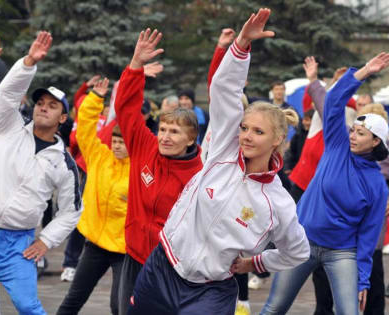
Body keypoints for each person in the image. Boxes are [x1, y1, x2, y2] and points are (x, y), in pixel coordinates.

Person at [126, 9, 310, 315]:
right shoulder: (225, 150)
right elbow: (224, 88)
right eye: (245, 128)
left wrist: (256, 263)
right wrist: (241, 44)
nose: (247, 136)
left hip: (211, 290)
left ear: (276, 139)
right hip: (163, 269)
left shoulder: (278, 202)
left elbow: (298, 252)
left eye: (258, 132)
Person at [260, 52, 389, 315]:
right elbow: (333, 101)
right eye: (353, 130)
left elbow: (368, 236)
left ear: (376, 141)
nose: (353, 136)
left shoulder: (376, 184)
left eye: (361, 133)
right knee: (274, 307)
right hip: (302, 242)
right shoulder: (337, 145)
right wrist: (364, 71)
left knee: (349, 312)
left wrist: (363, 280)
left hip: (341, 252)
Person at [115, 28, 203, 315]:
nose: (165, 136)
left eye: (174, 132)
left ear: (191, 139)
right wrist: (136, 65)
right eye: (163, 129)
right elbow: (126, 108)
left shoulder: (199, 175)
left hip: (171, 264)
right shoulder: (145, 145)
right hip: (135, 254)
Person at [0, 31, 82, 314]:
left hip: (18, 244)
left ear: (63, 117)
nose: (43, 108)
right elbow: (6, 95)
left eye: (52, 106)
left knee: (28, 306)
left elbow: (71, 211)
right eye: (40, 103)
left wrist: (46, 240)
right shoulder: (8, 126)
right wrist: (28, 62)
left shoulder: (65, 163)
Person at [57, 79, 130, 315]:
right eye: (115, 141)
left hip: (124, 250)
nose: (117, 146)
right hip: (95, 244)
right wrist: (95, 98)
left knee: (118, 307)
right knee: (72, 301)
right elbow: (86, 130)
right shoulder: (100, 157)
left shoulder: (140, 169)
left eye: (123, 142)